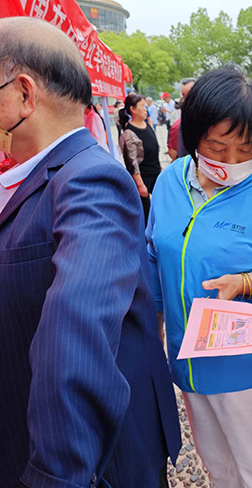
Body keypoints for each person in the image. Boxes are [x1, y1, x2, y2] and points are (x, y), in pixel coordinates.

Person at [0, 17, 181, 488]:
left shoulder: (88, 179)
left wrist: (54, 476)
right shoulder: (32, 175)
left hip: (95, 461)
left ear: (23, 94)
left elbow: (74, 336)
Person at [146, 67, 252, 488]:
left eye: (245, 148)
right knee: (219, 470)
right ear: (194, 137)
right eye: (217, 147)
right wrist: (147, 334)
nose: (231, 161)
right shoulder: (171, 181)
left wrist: (250, 282)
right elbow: (153, 254)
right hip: (187, 366)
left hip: (251, 374)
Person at [119, 93, 162, 224]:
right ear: (132, 109)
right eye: (142, 106)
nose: (146, 109)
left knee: (159, 210)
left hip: (155, 174)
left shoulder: (148, 125)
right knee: (146, 215)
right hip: (143, 179)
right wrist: (140, 185)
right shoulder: (128, 133)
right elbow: (131, 163)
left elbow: (153, 150)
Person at [167, 78, 196, 161]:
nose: (186, 100)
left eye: (190, 95)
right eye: (184, 95)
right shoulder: (179, 125)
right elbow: (173, 153)